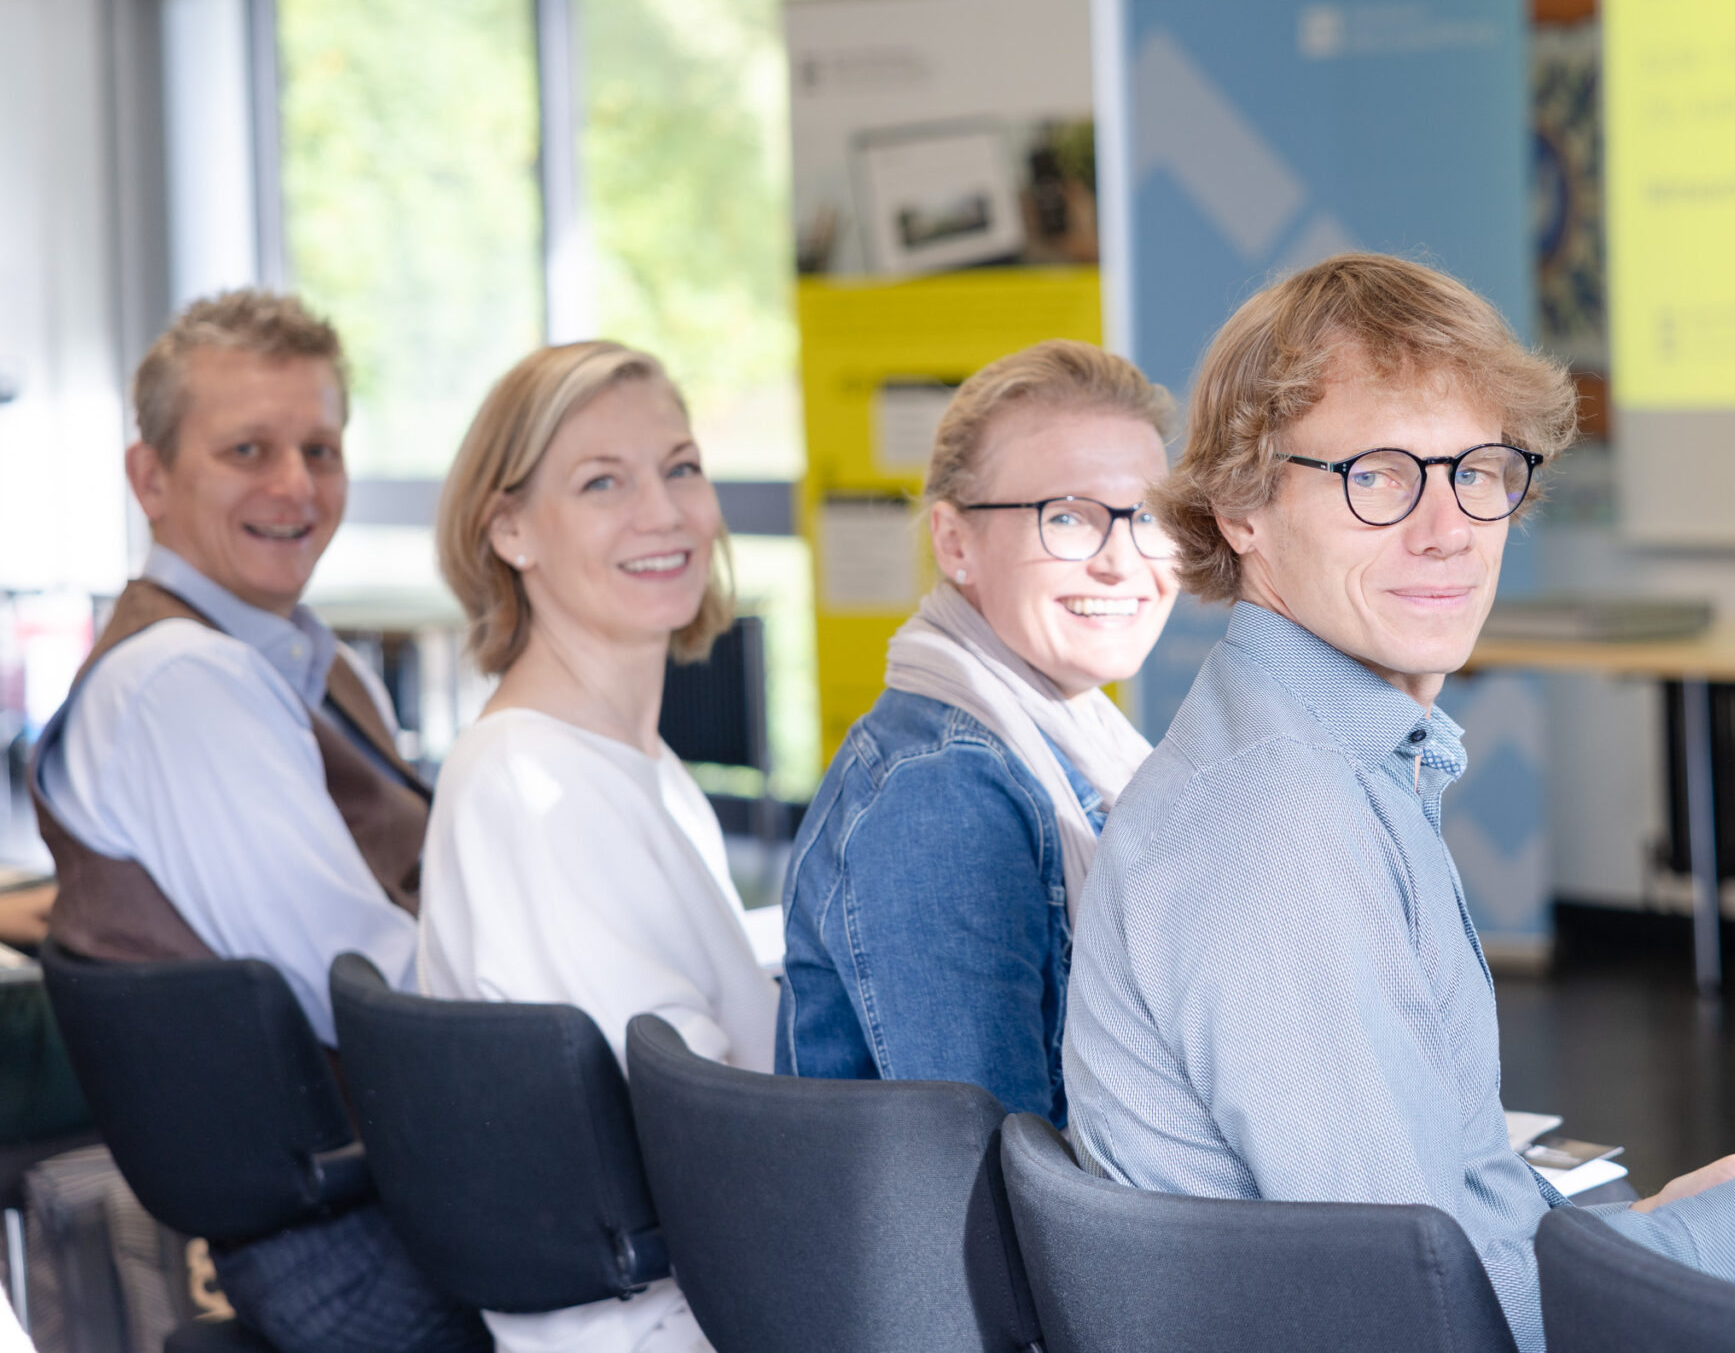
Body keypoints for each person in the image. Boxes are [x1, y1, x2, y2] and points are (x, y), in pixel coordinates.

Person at [1061, 254, 1735, 1353]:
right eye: (1376, 475)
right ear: (1241, 508)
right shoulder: (1280, 830)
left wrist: (1683, 1213)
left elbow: (1445, 1232)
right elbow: (1421, 1317)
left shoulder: (1323, 760)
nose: (1448, 528)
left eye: (1477, 470)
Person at [30, 289, 484, 1353]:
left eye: (319, 448)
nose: (296, 486)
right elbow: (365, 985)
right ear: (151, 478)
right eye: (247, 449)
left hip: (386, 1211)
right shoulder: (184, 683)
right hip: (369, 1247)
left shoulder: (290, 658)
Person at [422, 342, 774, 1353]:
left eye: (680, 466)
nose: (662, 513)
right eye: (601, 482)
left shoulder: (640, 766)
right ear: (509, 528)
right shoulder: (530, 788)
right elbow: (694, 1130)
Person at [776, 341, 1176, 1120]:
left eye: (1151, 517)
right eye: (1068, 518)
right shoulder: (941, 793)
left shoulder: (1077, 739)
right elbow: (993, 1176)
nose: (1123, 561)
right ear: (955, 543)